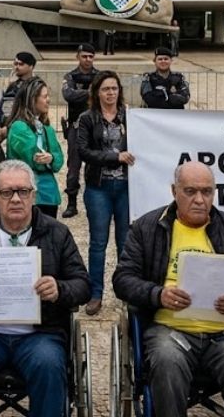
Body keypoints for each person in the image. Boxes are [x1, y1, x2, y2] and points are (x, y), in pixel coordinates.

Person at [113, 161, 224, 416]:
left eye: (207, 192)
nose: (199, 199)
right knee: (167, 361)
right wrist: (158, 295)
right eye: (190, 191)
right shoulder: (147, 228)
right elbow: (123, 279)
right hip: (170, 330)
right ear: (174, 191)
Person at [0, 160, 90, 417]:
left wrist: (59, 289)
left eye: (23, 191)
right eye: (7, 192)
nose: (16, 199)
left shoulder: (57, 233)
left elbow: (83, 285)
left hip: (40, 333)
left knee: (50, 366)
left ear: (34, 195)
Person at [73, 70, 133, 316]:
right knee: (98, 243)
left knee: (126, 243)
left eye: (114, 88)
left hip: (126, 188)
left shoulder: (130, 117)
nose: (111, 93)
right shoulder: (88, 118)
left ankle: (126, 291)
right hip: (99, 187)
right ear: (97, 92)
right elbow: (84, 151)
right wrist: (114, 157)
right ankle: (95, 293)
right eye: (106, 89)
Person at [5, 78, 65, 218]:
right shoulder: (18, 127)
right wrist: (50, 159)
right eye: (44, 97)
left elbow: (59, 159)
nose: (48, 100)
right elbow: (34, 159)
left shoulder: (47, 128)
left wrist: (52, 158)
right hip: (25, 194)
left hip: (48, 194)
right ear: (32, 99)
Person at [60, 43, 99, 219]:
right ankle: (72, 203)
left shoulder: (99, 76)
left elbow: (103, 95)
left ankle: (95, 203)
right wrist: (90, 93)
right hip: (75, 127)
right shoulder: (70, 76)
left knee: (95, 166)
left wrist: (84, 93)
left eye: (91, 56)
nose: (87, 60)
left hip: (95, 127)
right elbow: (68, 95)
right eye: (84, 56)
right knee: (73, 167)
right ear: (78, 57)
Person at [0, 52, 37, 142]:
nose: (17, 67)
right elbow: (0, 107)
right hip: (10, 134)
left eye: (21, 64)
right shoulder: (13, 85)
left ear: (31, 66)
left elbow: (28, 112)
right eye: (15, 64)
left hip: (27, 133)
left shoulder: (36, 86)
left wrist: (8, 127)